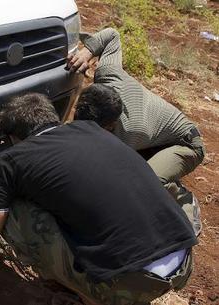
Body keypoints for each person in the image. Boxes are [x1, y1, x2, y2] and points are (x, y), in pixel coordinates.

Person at [0, 93, 197, 305]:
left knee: (16, 211)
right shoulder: (93, 130)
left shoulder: (11, 162)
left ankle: (89, 295)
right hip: (183, 260)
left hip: (127, 286)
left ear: (13, 138)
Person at [69, 28, 205, 234]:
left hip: (185, 144)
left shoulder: (128, 133)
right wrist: (87, 52)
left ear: (109, 127)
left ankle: (183, 200)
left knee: (148, 181)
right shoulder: (109, 75)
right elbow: (112, 35)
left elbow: (111, 177)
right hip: (155, 138)